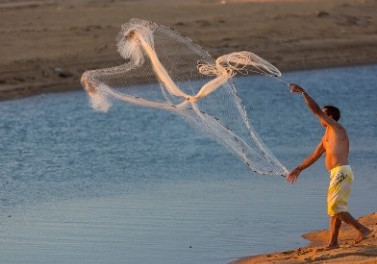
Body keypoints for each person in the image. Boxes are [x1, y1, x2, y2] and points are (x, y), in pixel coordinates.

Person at [286, 83, 371, 249]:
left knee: (334, 207)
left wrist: (303, 92)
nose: (320, 118)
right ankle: (333, 242)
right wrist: (298, 169)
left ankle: (362, 229)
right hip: (336, 174)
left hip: (342, 172)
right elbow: (314, 155)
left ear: (330, 117)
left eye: (323, 115)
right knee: (335, 209)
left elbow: (316, 110)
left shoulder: (337, 128)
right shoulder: (326, 137)